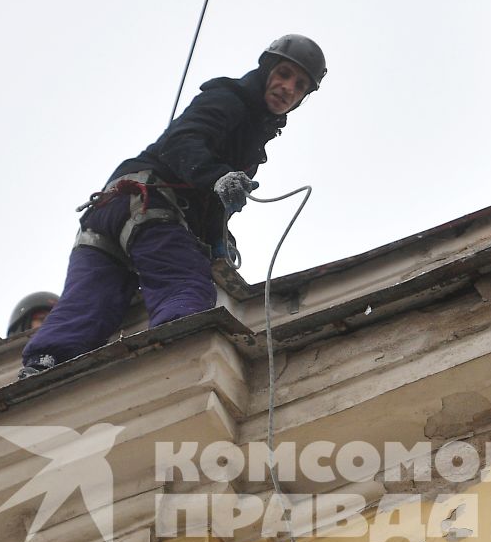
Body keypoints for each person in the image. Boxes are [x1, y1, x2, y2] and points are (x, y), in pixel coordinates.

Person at [18, 34, 326, 379]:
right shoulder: (230, 100)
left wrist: (218, 237)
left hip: (111, 213)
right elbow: (183, 142)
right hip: (149, 204)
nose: (288, 88)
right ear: (267, 69)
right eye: (283, 74)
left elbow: (208, 201)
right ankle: (183, 347)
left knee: (90, 302)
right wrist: (217, 177)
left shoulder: (251, 130)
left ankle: (43, 365)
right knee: (184, 284)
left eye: (299, 85)